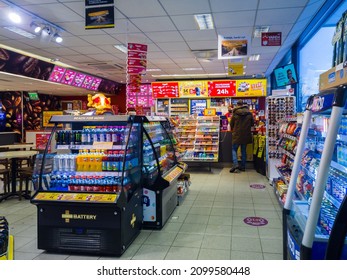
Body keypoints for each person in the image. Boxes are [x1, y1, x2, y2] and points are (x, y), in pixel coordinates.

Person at [229, 100, 254, 173]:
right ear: (243, 104)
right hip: (246, 135)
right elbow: (252, 124)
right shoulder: (249, 113)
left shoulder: (235, 113)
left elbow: (231, 124)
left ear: (237, 104)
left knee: (234, 150)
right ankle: (243, 167)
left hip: (237, 135)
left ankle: (235, 164)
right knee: (243, 151)